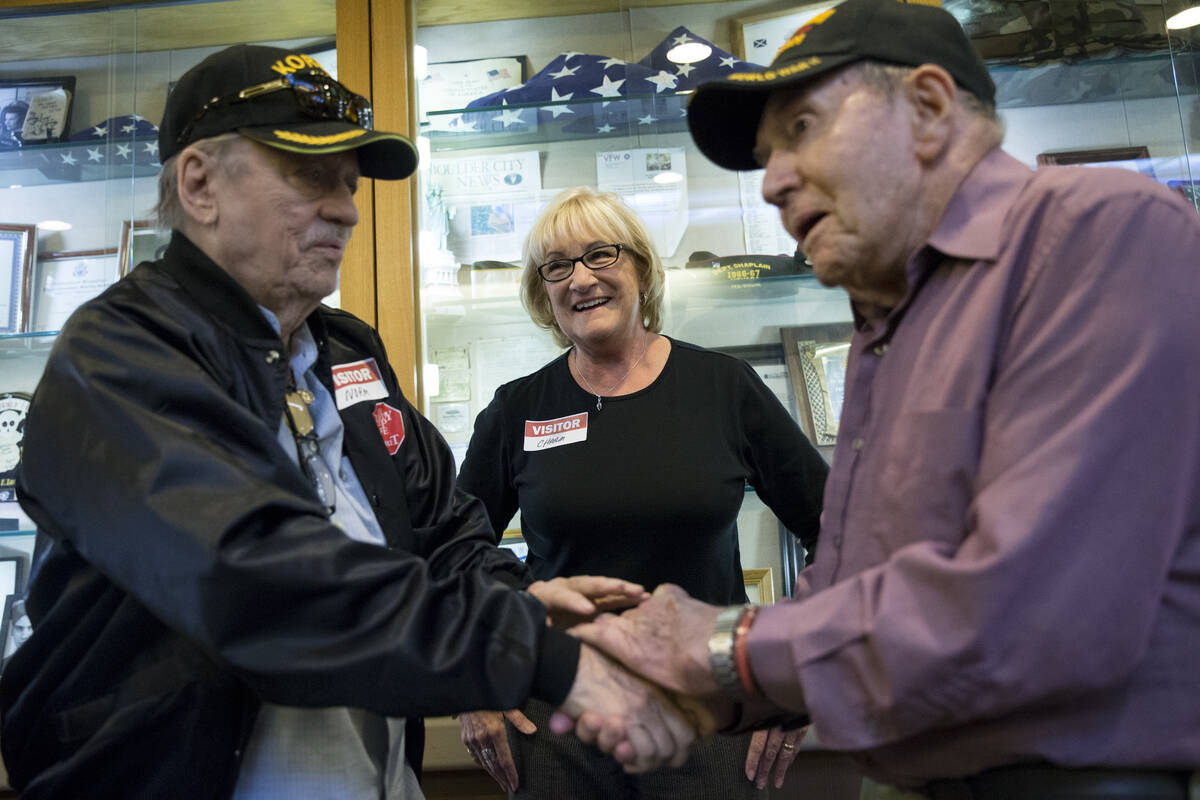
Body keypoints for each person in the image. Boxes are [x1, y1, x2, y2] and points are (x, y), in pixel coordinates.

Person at [0, 44, 701, 799]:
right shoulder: (118, 354)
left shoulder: (345, 350)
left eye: (349, 180)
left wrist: (519, 600)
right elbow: (256, 575)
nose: (346, 207)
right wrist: (541, 657)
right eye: (307, 174)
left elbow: (444, 530)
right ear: (199, 185)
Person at [559, 2, 1200, 799]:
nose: (772, 183)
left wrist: (728, 646)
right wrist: (700, 691)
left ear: (929, 109)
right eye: (765, 156)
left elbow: (1043, 605)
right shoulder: (889, 315)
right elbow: (853, 586)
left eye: (801, 129)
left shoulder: (1101, 234)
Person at [454, 186, 829, 797]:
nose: (581, 279)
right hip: (559, 721)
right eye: (557, 266)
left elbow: (837, 528)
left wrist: (793, 672)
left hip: (708, 720)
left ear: (642, 270)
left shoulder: (723, 388)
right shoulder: (517, 409)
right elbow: (456, 554)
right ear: (543, 294)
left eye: (601, 254)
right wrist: (474, 683)